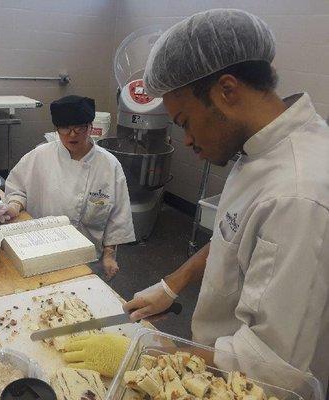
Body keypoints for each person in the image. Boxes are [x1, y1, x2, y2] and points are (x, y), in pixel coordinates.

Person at [123, 8, 328, 394]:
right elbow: (233, 233)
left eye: (184, 121)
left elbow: (272, 364)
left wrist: (164, 356)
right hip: (217, 358)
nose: (186, 139)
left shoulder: (298, 195)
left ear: (227, 91)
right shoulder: (258, 149)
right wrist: (172, 284)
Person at [0, 95, 135, 279]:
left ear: (91, 127)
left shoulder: (109, 165)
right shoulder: (40, 156)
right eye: (65, 128)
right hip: (40, 248)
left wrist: (109, 256)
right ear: (56, 128)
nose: (72, 134)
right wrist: (13, 207)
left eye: (80, 127)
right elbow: (18, 189)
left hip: (87, 257)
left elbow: (118, 218)